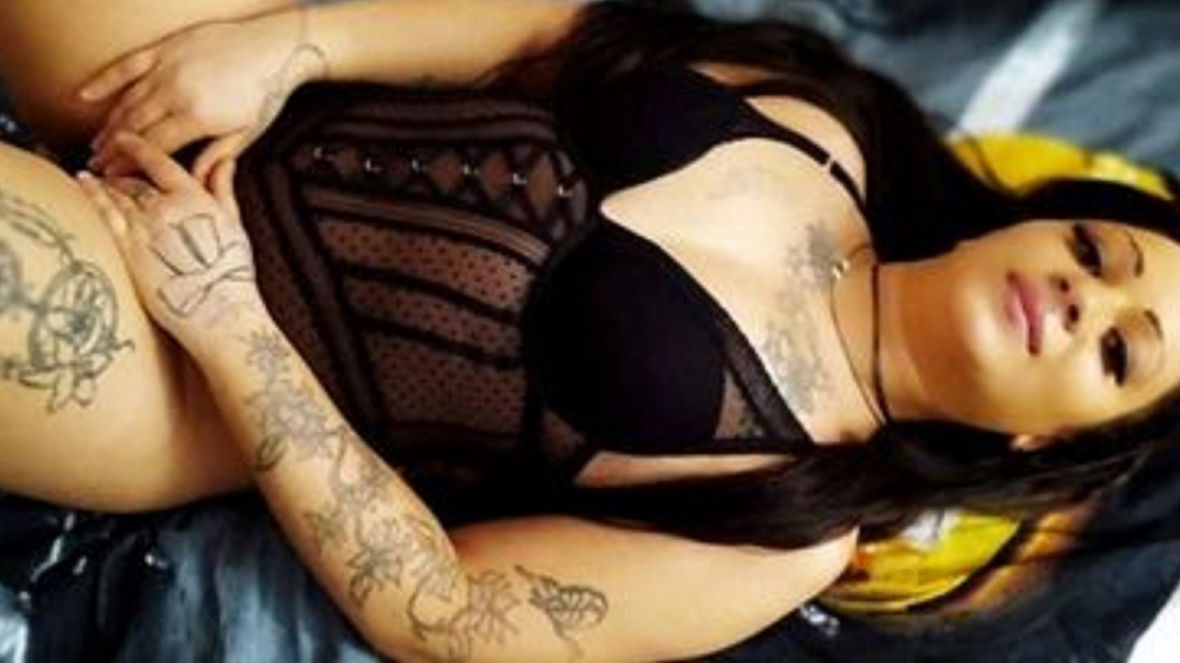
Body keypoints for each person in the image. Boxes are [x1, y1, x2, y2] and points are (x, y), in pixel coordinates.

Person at [2, 0, 1180, 659]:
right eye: (1095, 252)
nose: (1084, 300)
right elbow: (545, 32)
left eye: (1117, 352)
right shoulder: (824, 125)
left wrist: (228, 324)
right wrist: (289, 46)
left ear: (1050, 443)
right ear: (1041, 221)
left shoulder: (793, 527)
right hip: (219, 108)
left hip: (172, 362)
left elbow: (445, 617)